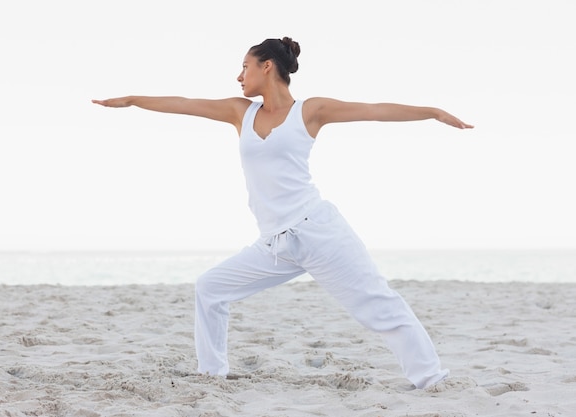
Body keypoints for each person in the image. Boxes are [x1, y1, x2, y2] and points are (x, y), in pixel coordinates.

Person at [92, 36, 473, 389]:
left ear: (268, 66)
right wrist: (131, 100)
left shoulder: (309, 111)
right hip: (274, 244)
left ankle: (431, 379)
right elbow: (183, 103)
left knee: (378, 304)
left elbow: (374, 110)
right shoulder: (239, 112)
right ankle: (212, 373)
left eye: (245, 66)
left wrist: (432, 112)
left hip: (319, 233)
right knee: (210, 288)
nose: (239, 75)